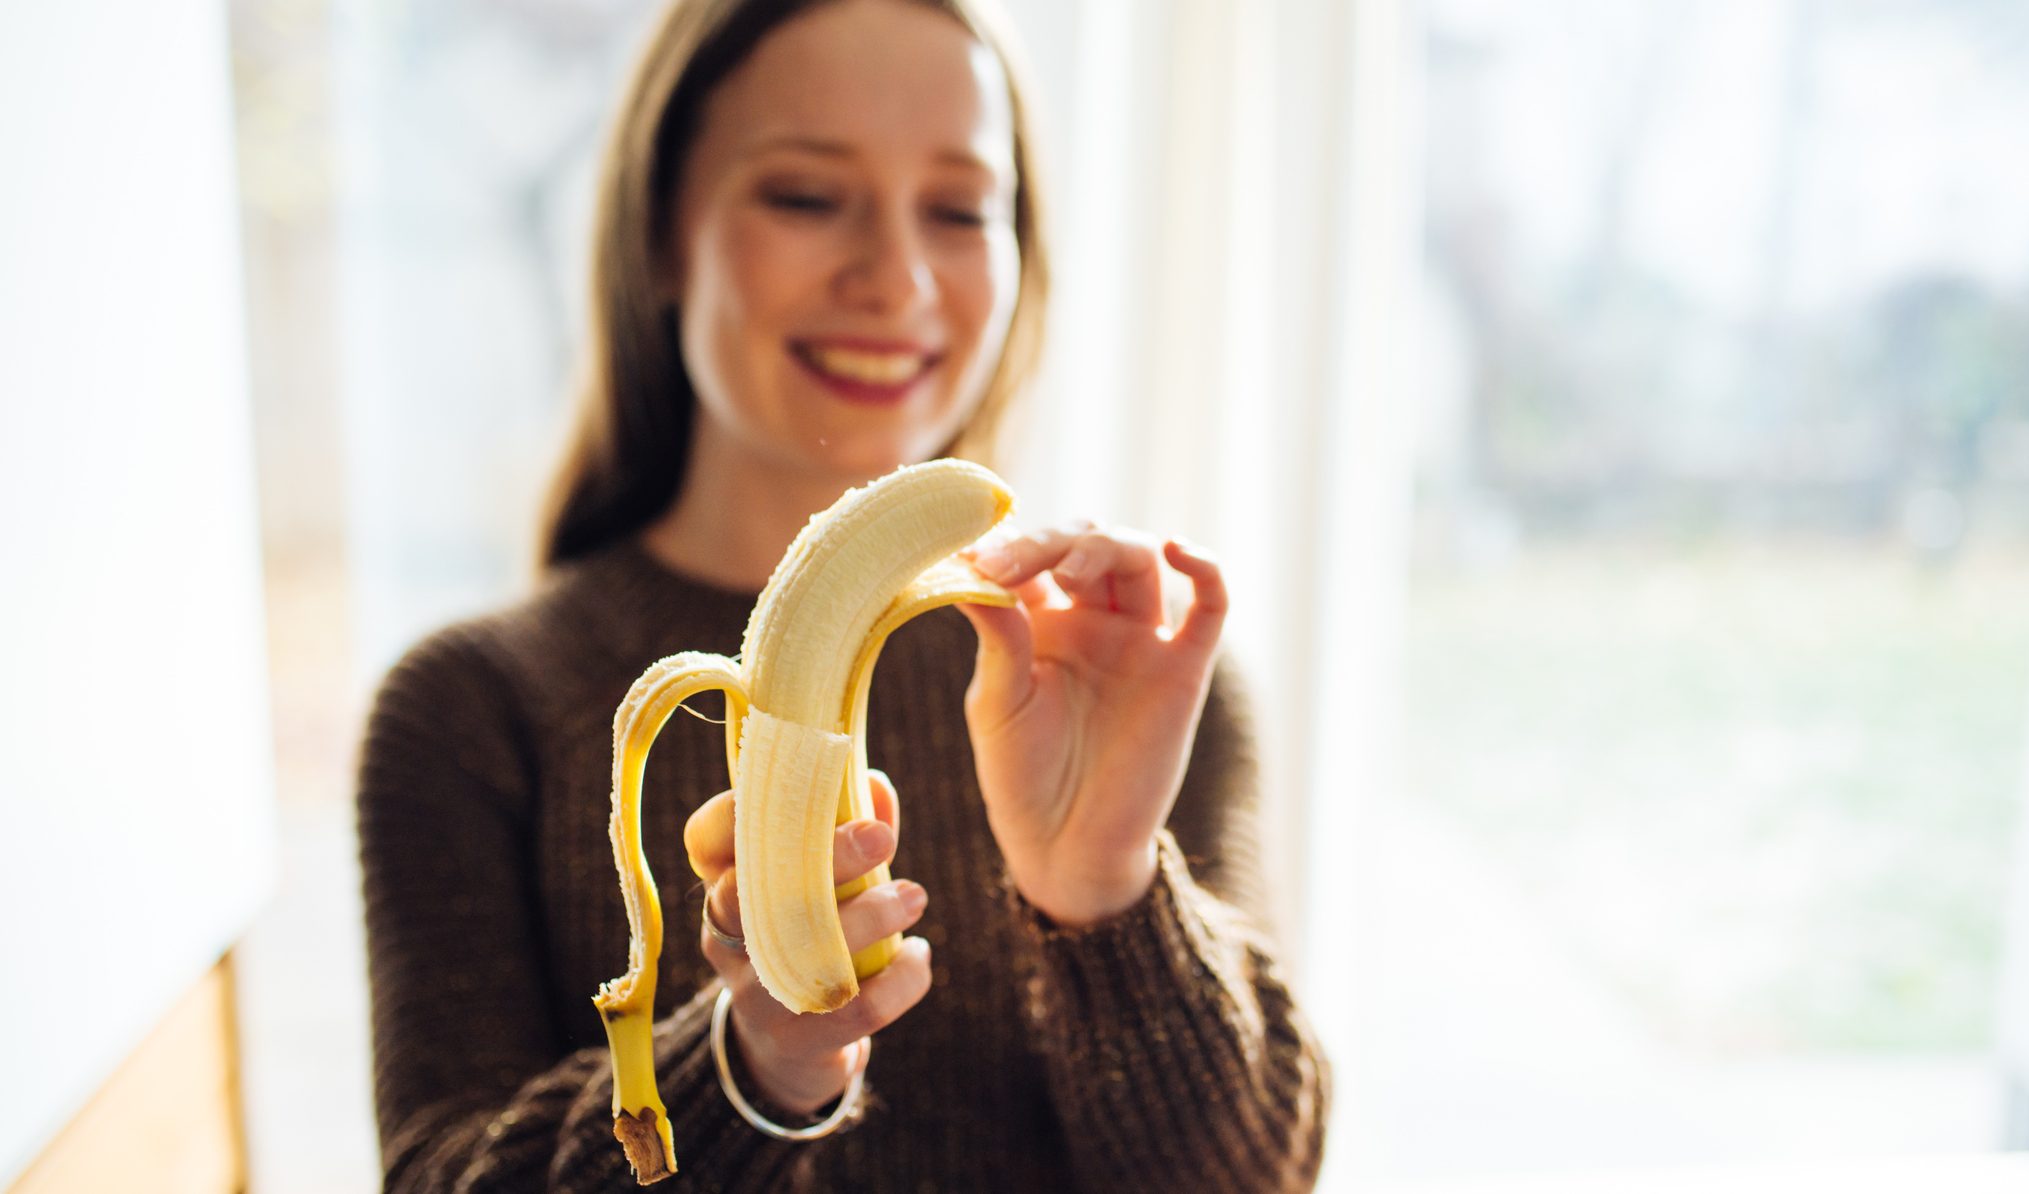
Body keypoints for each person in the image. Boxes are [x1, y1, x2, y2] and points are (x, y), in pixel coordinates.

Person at [354, 0, 1331, 1189]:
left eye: (960, 210)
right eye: (806, 197)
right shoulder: (472, 714)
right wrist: (747, 1066)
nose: (896, 277)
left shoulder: (1133, 677)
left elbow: (1257, 1178)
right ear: (660, 236)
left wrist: (1109, 899)